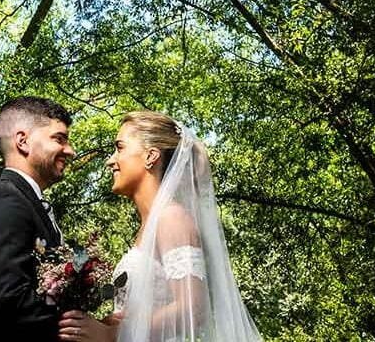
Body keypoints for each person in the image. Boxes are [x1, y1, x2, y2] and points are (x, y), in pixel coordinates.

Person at [58, 111, 262, 341]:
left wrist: (111, 334)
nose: (111, 160)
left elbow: (194, 308)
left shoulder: (171, 218)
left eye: (120, 148)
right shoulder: (151, 223)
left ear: (150, 156)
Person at [0, 97, 77, 341]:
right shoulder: (3, 200)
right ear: (23, 141)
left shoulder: (26, 201)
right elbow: (9, 302)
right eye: (59, 139)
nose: (70, 150)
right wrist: (78, 327)